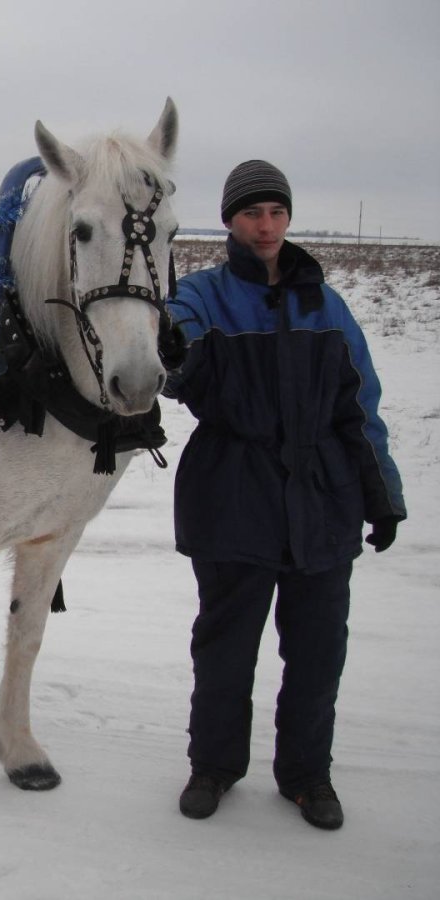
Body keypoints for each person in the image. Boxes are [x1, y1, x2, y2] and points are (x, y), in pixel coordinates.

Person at [160, 160, 406, 830]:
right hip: (233, 495)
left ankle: (305, 776)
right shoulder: (206, 296)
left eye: (275, 212)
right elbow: (172, 358)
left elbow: (361, 405)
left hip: (322, 501)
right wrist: (165, 330)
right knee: (225, 648)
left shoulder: (327, 305)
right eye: (250, 213)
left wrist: (380, 493)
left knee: (319, 651)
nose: (265, 226)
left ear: (287, 217)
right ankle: (213, 766)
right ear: (230, 221)